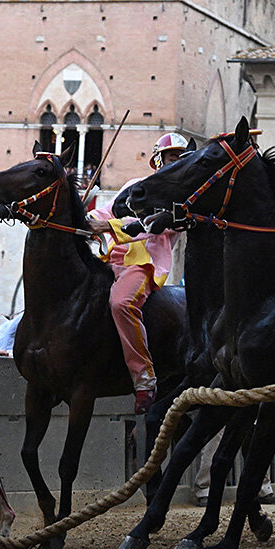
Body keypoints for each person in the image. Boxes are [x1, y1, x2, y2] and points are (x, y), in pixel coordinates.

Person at [86, 133, 184, 413]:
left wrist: (108, 228)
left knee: (122, 303)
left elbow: (155, 225)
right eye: (172, 157)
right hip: (111, 256)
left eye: (180, 158)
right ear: (158, 159)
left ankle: (144, 379)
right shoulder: (134, 185)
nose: (175, 162)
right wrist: (87, 219)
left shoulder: (181, 197)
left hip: (144, 262)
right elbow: (107, 211)